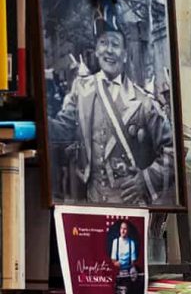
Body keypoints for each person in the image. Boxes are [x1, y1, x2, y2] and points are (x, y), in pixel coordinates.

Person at [48, 15, 176, 206]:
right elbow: (61, 131)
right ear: (97, 50)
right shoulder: (82, 91)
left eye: (115, 44)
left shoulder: (143, 103)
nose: (109, 50)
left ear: (124, 54)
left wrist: (146, 180)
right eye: (103, 43)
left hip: (130, 205)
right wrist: (37, 119)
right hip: (90, 202)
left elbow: (173, 152)